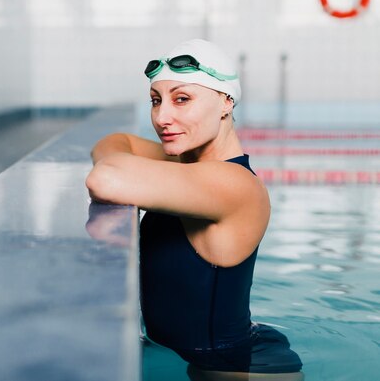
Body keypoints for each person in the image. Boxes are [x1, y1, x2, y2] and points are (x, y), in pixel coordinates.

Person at [85, 39, 303, 379]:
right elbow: (115, 142)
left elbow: (106, 177)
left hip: (237, 366)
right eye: (156, 101)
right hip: (201, 351)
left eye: (182, 99)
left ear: (225, 103)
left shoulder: (235, 185)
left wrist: (138, 167)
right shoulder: (189, 166)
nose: (162, 117)